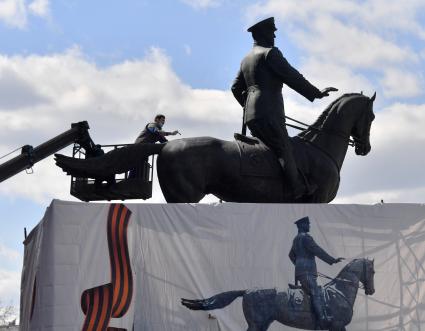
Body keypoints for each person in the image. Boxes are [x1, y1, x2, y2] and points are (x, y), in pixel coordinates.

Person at [231, 17, 338, 200]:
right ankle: (296, 187)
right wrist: (315, 92)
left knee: (269, 148)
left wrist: (248, 107)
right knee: (284, 147)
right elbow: (291, 76)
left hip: (252, 115)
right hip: (269, 112)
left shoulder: (246, 60)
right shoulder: (270, 53)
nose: (274, 35)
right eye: (272, 32)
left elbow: (235, 88)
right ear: (264, 33)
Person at [289, 216, 344, 329]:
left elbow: (291, 255)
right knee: (316, 293)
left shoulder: (296, 239)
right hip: (307, 272)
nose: (309, 226)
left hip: (301, 272)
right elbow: (317, 250)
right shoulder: (306, 238)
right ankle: (322, 318)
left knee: (314, 292)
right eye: (307, 224)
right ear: (301, 225)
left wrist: (299, 264)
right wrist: (332, 260)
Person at [129, 114, 180, 178]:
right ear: (156, 120)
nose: (163, 122)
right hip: (139, 147)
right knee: (135, 166)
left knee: (141, 167)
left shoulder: (159, 132)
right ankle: (130, 180)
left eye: (164, 121)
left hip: (145, 150)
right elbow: (155, 131)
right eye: (162, 120)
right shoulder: (152, 125)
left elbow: (164, 141)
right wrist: (171, 133)